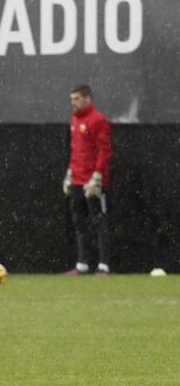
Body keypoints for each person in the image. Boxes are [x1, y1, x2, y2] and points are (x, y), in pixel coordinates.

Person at [63, 84, 113, 276]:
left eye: (76, 99)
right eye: (72, 99)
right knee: (79, 222)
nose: (73, 103)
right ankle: (82, 264)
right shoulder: (75, 120)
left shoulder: (98, 120)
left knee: (99, 222)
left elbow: (104, 150)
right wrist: (69, 173)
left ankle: (103, 265)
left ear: (87, 98)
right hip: (77, 179)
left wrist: (98, 176)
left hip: (93, 182)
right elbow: (76, 150)